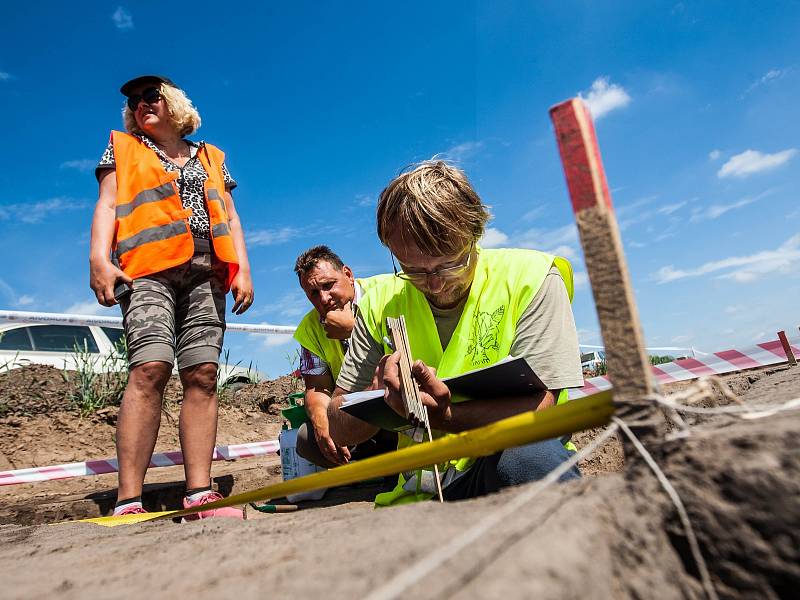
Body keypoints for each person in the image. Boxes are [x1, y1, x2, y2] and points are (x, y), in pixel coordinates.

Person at [326, 160, 584, 506]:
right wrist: (375, 398)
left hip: (500, 467)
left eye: (449, 264)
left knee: (531, 457)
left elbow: (543, 409)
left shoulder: (532, 278)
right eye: (412, 270)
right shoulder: (379, 305)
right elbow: (339, 426)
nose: (433, 283)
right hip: (422, 494)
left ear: (475, 233)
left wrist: (446, 417)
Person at [89, 75, 253, 519]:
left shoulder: (212, 156)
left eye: (150, 95)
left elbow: (232, 217)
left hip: (208, 272)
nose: (141, 104)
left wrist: (242, 270)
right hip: (147, 271)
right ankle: (128, 500)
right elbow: (106, 205)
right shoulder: (122, 148)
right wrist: (99, 259)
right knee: (150, 368)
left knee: (201, 372)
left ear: (174, 103)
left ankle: (200, 493)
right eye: (133, 100)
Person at [292, 245, 396, 467]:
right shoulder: (311, 328)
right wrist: (323, 424)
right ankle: (373, 468)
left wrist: (355, 330)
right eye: (313, 293)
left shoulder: (388, 292)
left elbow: (410, 349)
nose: (324, 298)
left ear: (348, 275)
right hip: (358, 416)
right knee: (306, 439)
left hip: (398, 400)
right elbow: (317, 387)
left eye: (328, 286)